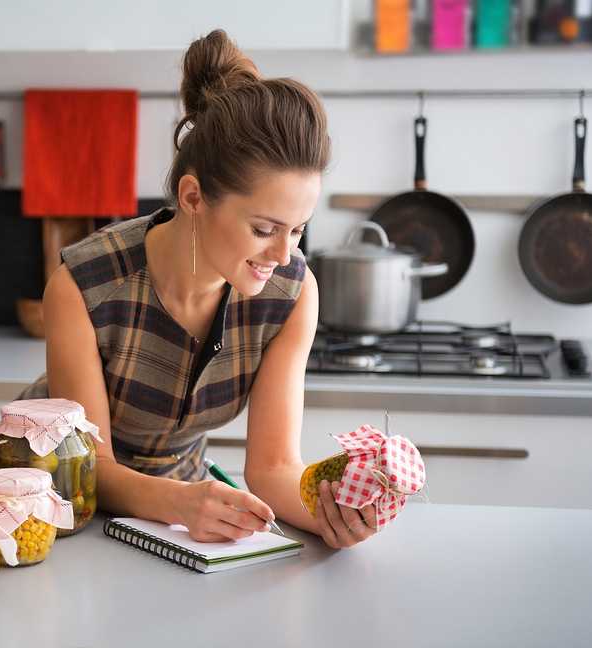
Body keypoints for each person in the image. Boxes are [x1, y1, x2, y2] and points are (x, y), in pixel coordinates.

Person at [19, 29, 376, 549]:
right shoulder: (86, 285)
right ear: (193, 197)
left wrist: (331, 516)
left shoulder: (292, 295)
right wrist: (181, 501)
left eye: (298, 229)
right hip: (48, 506)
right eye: (263, 229)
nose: (283, 255)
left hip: (175, 522)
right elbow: (88, 467)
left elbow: (275, 468)